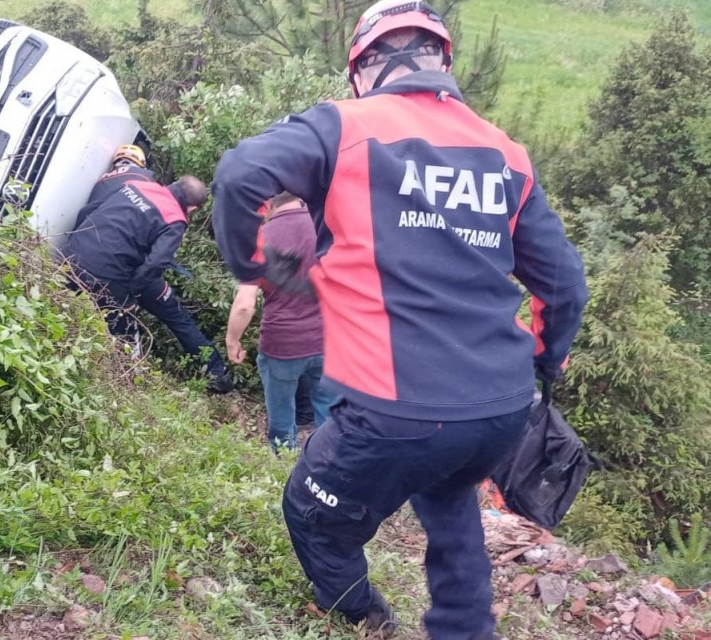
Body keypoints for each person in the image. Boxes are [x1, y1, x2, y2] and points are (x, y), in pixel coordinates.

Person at [210, 2, 589, 638]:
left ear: (361, 69)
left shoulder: (345, 126)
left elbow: (240, 175)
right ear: (445, 62)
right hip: (498, 408)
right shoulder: (506, 153)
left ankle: (367, 619)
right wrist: (544, 363)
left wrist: (260, 268)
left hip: (397, 408)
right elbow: (565, 285)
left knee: (312, 509)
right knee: (448, 497)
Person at [64, 152, 232, 391]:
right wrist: (130, 296)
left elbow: (88, 211)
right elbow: (154, 265)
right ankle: (214, 375)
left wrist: (78, 246)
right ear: (193, 208)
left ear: (172, 184)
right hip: (115, 275)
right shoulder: (175, 219)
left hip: (72, 257)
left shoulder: (135, 185)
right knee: (170, 318)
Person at [225, 192, 335, 450]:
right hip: (328, 341)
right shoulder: (328, 224)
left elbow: (244, 304)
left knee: (282, 416)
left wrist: (232, 341)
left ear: (268, 204)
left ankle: (283, 470)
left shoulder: (261, 239)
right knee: (328, 415)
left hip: (282, 346)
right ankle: (323, 467)